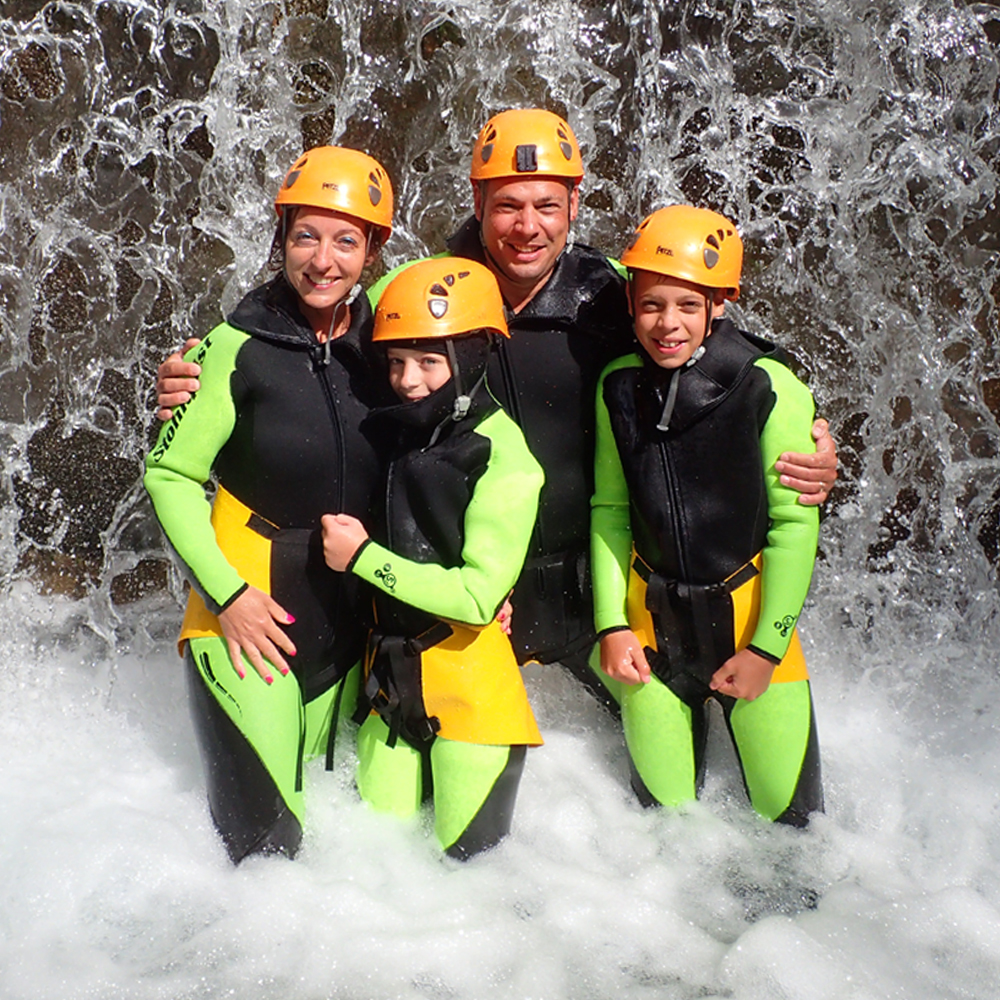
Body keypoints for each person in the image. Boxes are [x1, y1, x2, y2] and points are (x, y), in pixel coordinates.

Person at [156, 109, 838, 708]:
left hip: (596, 591)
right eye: (508, 204)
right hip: (457, 588)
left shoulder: (615, 296)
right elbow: (309, 343)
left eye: (546, 204)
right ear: (477, 201)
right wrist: (195, 376)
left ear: (575, 203)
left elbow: (726, 352)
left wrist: (813, 436)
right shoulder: (418, 294)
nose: (527, 226)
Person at [144, 146, 394, 863]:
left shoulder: (391, 340)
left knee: (360, 846)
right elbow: (169, 476)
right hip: (246, 617)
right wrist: (227, 596)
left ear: (374, 250)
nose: (323, 260)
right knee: (265, 858)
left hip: (350, 623)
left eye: (346, 240)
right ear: (280, 238)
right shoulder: (229, 347)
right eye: (305, 236)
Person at [591, 205, 823, 825]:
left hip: (749, 625)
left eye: (688, 306)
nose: (668, 324)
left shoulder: (769, 385)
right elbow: (611, 511)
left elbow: (795, 526)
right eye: (651, 305)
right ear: (631, 302)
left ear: (720, 303)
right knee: (668, 838)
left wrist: (767, 652)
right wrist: (612, 626)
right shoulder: (616, 385)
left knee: (794, 838)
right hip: (651, 629)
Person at [321, 257, 544, 858]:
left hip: (472, 689)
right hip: (391, 685)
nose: (409, 380)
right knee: (376, 869)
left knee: (468, 878)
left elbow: (476, 598)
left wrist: (364, 558)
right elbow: (343, 297)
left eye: (428, 362)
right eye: (396, 362)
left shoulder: (506, 456)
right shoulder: (400, 428)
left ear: (471, 359)